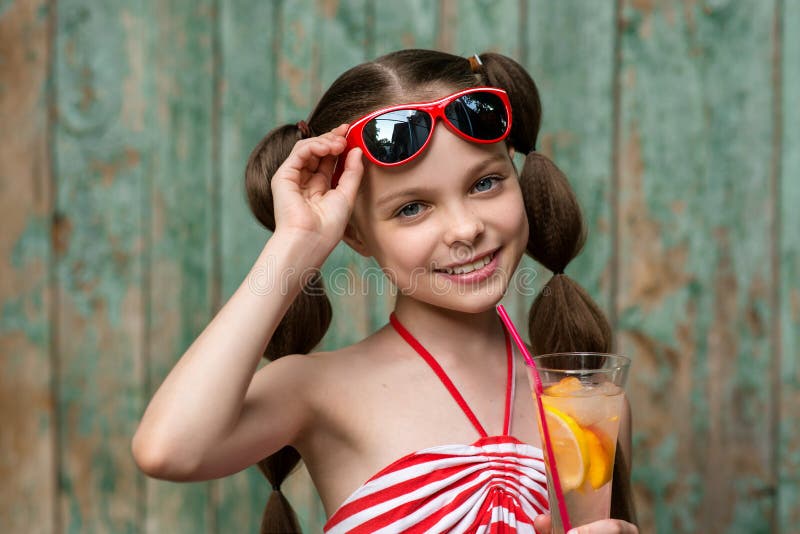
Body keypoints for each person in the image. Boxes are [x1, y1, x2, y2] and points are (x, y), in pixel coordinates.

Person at [132, 49, 638, 534]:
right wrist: (298, 242)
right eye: (411, 208)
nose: (465, 228)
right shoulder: (318, 391)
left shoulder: (585, 404)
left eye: (485, 183)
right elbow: (168, 450)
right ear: (354, 234)